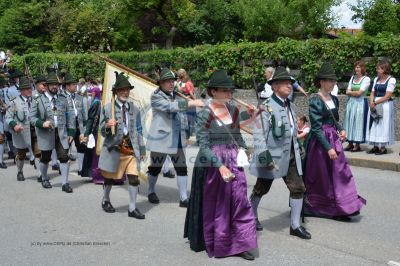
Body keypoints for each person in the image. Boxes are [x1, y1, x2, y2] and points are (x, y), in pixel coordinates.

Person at [184, 69, 257, 260]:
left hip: (233, 161)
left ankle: (241, 242)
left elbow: (237, 135)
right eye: (224, 90)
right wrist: (219, 166)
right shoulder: (204, 114)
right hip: (212, 164)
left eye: (230, 90)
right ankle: (217, 239)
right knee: (217, 206)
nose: (228, 94)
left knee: (239, 200)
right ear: (213, 92)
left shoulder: (233, 110)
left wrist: (244, 149)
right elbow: (203, 144)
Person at [249, 67, 311, 239]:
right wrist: (264, 156)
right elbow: (259, 135)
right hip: (272, 157)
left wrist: (299, 146)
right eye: (285, 83)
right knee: (261, 188)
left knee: (298, 188)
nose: (289, 86)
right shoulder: (266, 107)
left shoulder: (290, 105)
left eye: (290, 83)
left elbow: (291, 131)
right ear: (275, 86)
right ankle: (251, 216)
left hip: (291, 155)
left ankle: (295, 225)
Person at [303, 62, 366, 220]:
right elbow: (316, 128)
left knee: (340, 173)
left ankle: (344, 206)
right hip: (320, 143)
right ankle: (325, 207)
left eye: (334, 81)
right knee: (323, 176)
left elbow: (334, 119)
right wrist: (328, 148)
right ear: (322, 81)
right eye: (330, 80)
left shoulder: (334, 99)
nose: (333, 83)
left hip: (333, 139)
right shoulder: (315, 100)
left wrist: (341, 128)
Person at [146, 68, 204, 207]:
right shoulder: (156, 96)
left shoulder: (177, 94)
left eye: (172, 81)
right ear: (161, 83)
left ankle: (183, 198)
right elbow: (171, 107)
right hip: (161, 137)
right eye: (167, 82)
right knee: (155, 167)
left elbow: (183, 113)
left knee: (181, 167)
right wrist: (192, 103)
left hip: (177, 137)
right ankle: (151, 191)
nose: (171, 84)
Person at [98, 72, 146, 219]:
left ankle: (132, 208)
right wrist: (107, 125)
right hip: (114, 149)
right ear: (116, 92)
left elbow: (139, 130)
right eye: (121, 90)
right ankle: (106, 199)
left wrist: (142, 149)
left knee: (134, 179)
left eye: (127, 89)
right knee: (110, 179)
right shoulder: (107, 108)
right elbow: (102, 131)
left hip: (130, 150)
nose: (125, 92)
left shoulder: (134, 108)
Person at [30, 71, 76, 192]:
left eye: (57, 84)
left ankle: (65, 183)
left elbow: (70, 115)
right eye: (52, 84)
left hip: (61, 132)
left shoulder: (63, 98)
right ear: (47, 86)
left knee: (64, 157)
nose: (55, 86)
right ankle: (44, 178)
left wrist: (71, 132)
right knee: (45, 157)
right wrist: (42, 123)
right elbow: (32, 118)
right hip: (46, 133)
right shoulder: (37, 99)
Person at [5, 76, 40, 181]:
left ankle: (40, 174)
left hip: (35, 130)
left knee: (38, 153)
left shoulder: (36, 100)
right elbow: (8, 117)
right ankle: (20, 171)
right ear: (21, 91)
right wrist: (14, 125)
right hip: (21, 132)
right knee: (21, 155)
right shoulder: (14, 102)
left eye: (30, 88)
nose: (30, 90)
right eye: (26, 89)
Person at [366, 59, 396, 155]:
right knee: (374, 124)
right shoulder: (376, 79)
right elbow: (372, 93)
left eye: (378, 68)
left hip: (385, 104)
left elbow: (387, 96)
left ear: (384, 69)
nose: (376, 70)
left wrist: (375, 102)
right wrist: (371, 102)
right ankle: (375, 146)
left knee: (383, 125)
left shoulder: (391, 80)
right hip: (375, 103)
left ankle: (383, 148)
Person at [343, 61, 371, 152]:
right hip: (351, 103)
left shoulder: (366, 79)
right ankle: (350, 143)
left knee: (358, 123)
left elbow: (360, 93)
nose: (356, 69)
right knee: (349, 122)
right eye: (355, 67)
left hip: (360, 103)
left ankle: (357, 144)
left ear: (362, 68)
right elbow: (347, 91)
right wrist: (353, 93)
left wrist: (351, 92)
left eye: (358, 67)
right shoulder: (352, 78)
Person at [62, 73, 86, 174]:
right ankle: (62, 167)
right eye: (73, 84)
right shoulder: (61, 97)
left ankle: (81, 168)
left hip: (78, 123)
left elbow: (83, 111)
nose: (76, 86)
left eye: (76, 84)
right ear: (67, 86)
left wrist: (84, 123)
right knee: (65, 148)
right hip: (67, 125)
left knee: (81, 146)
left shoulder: (78, 97)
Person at [80, 86, 102, 182]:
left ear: (95, 93)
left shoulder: (95, 103)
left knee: (92, 153)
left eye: (91, 93)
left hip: (95, 132)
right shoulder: (101, 102)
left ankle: (93, 173)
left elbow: (91, 119)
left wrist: (86, 133)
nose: (90, 95)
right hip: (99, 131)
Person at [176, 68, 197, 136]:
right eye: (180, 77)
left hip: (189, 101)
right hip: (190, 101)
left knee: (188, 117)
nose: (181, 79)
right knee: (192, 117)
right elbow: (181, 90)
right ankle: (191, 132)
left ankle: (188, 133)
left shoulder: (186, 84)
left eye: (181, 77)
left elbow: (190, 93)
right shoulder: (189, 82)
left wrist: (195, 100)